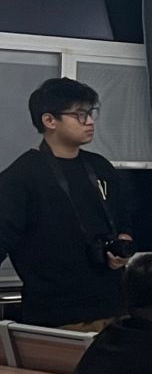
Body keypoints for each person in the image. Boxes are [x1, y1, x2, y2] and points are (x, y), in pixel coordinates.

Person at [0, 77, 132, 330]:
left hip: (115, 308)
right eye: (80, 115)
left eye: (91, 113)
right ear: (49, 120)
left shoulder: (100, 166)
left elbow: (124, 218)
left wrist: (122, 244)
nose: (90, 121)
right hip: (59, 316)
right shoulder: (20, 177)